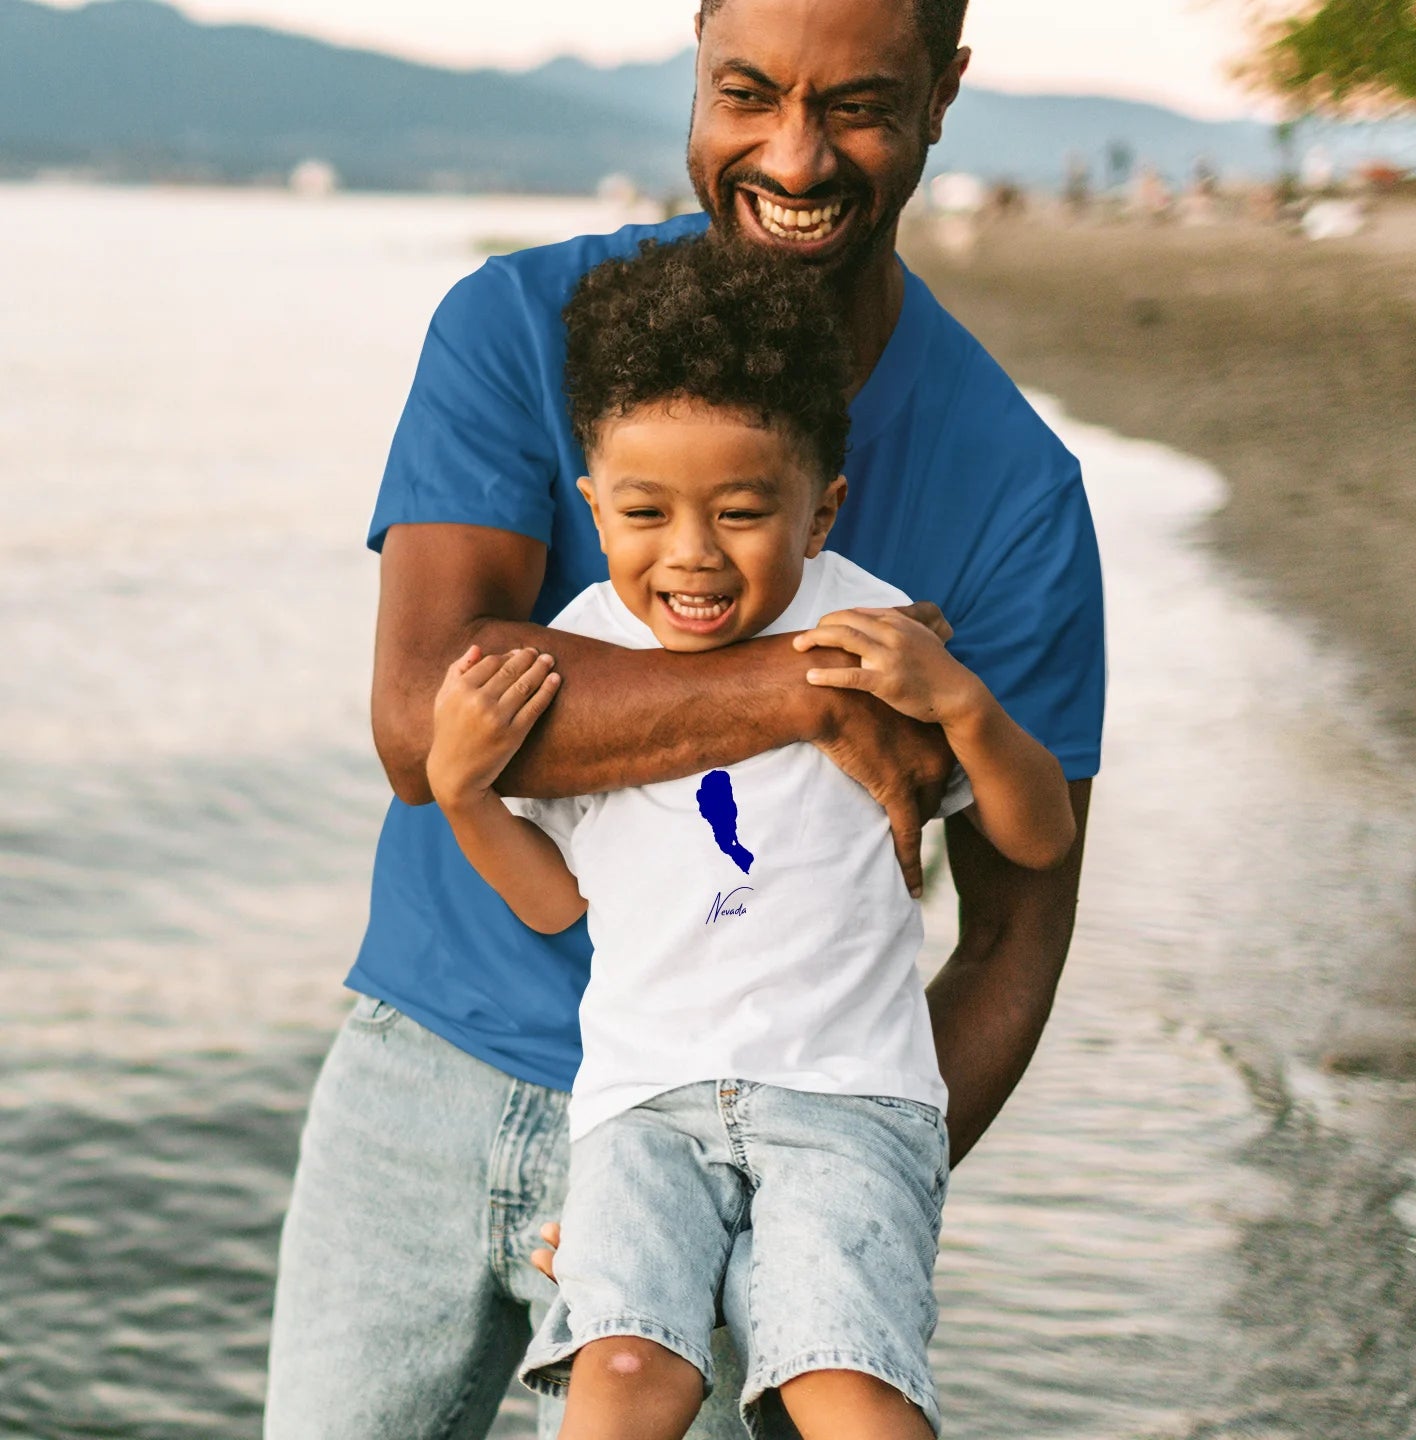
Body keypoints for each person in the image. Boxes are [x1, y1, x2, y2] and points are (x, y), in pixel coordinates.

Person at [263, 1, 1105, 1436]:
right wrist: (804, 691)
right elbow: (422, 725)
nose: (793, 152)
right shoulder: (517, 329)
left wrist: (835, 1197)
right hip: (427, 1074)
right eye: (747, 92)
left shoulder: (1014, 488)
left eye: (855, 104)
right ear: (697, 70)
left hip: (757, 1135)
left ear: (945, 92)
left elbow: (1020, 921)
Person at [425, 236, 1076, 1440]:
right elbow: (555, 903)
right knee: (622, 1377)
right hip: (645, 1106)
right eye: (644, 512)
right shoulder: (575, 653)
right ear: (592, 506)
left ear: (820, 507)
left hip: (847, 1098)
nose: (692, 553)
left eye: (740, 511)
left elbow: (1034, 841)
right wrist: (465, 796)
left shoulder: (879, 637)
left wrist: (967, 709)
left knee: (845, 1384)